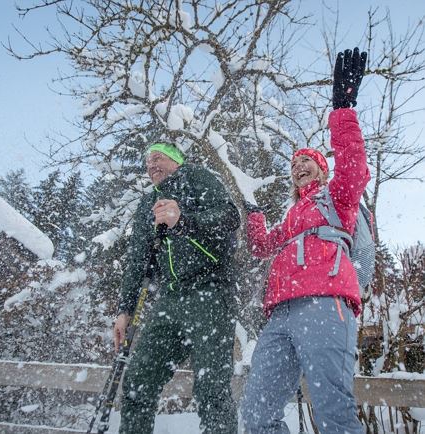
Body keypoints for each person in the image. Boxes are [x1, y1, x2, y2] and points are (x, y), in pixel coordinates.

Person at [241, 48, 369, 433]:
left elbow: (353, 162)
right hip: (280, 313)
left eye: (306, 160)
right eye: (294, 162)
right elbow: (262, 246)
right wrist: (253, 215)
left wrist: (342, 108)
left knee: (333, 412)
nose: (297, 165)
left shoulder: (337, 198)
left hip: (326, 303)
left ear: (322, 167)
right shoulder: (291, 217)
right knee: (257, 414)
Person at [113, 142, 240, 434]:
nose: (151, 164)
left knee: (211, 386)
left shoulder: (195, 177)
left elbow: (228, 217)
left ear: (176, 160)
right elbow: (138, 261)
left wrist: (182, 220)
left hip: (210, 290)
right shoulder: (147, 204)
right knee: (138, 380)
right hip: (170, 299)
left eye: (157, 157)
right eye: (146, 162)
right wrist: (125, 310)